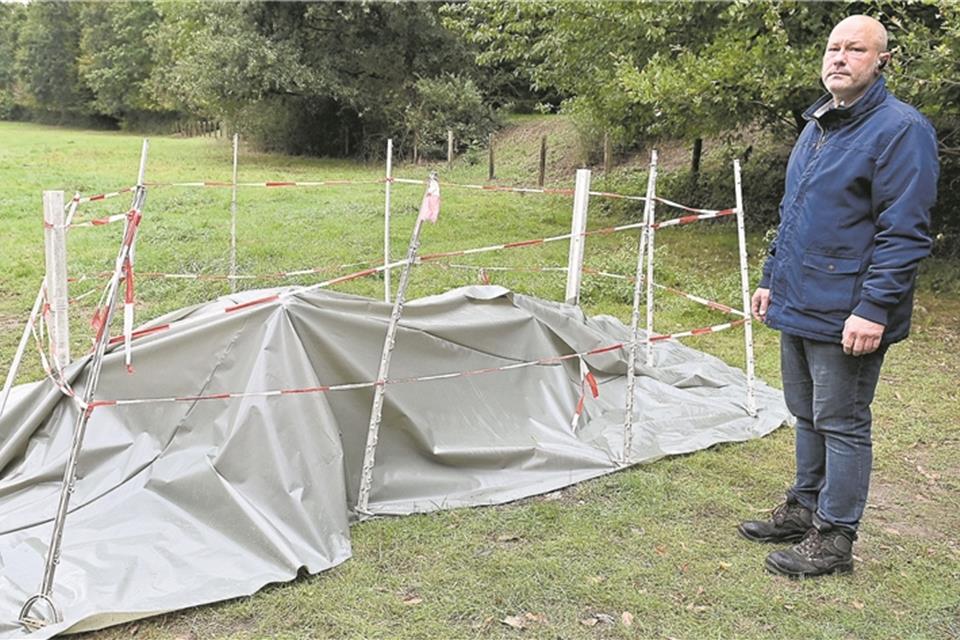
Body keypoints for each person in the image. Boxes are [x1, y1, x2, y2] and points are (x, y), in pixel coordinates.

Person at [738, 15, 939, 578]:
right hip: (801, 298)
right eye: (833, 47)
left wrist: (874, 307)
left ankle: (834, 537)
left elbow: (904, 232)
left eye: (856, 49)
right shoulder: (819, 124)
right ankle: (804, 509)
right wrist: (770, 276)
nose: (840, 57)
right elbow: (794, 213)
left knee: (843, 421)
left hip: (849, 308)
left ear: (881, 61)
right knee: (806, 414)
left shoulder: (902, 130)